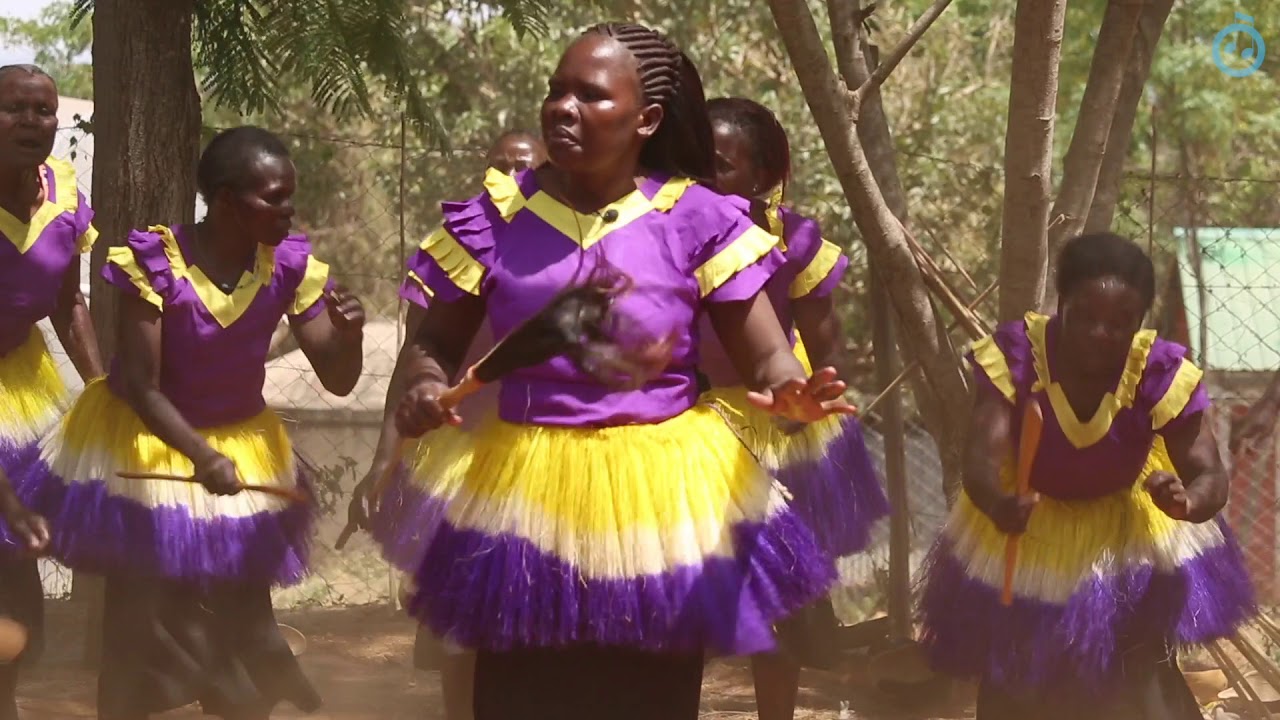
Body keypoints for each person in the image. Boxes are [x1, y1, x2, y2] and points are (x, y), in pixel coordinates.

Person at [390, 23, 851, 720]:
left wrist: (790, 386)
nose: (563, 108)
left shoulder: (695, 218)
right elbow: (432, 344)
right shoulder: (497, 218)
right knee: (520, 696)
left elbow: (763, 347)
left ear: (647, 120)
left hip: (655, 504)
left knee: (647, 697)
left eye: (590, 96)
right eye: (556, 92)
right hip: (524, 497)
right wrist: (423, 388)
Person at [24, 126, 366, 719]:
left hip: (241, 440)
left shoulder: (288, 265)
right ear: (227, 201)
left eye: (290, 197)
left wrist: (350, 336)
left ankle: (252, 684)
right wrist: (199, 455)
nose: (287, 210)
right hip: (149, 446)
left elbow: (338, 378)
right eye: (273, 198)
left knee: (239, 602)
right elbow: (138, 385)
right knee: (143, 616)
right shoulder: (156, 264)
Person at [916, 232, 1256, 719]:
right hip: (1029, 529)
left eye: (1120, 323)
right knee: (1022, 675)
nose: (1102, 333)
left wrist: (1187, 501)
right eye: (1087, 318)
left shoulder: (1156, 371)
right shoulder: (1018, 357)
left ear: (1140, 322)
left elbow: (1210, 475)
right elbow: (981, 458)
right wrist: (997, 503)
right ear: (1061, 305)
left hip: (1123, 537)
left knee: (1134, 676)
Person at [348, 131, 548, 720]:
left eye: (526, 167)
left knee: (540, 613)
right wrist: (385, 459)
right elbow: (414, 358)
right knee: (461, 622)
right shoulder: (452, 248)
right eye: (500, 166)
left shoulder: (569, 247)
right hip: (459, 458)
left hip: (545, 457)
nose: (512, 177)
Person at [700, 96, 889, 720]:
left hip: (772, 422)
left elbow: (822, 343)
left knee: (776, 595)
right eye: (695, 160)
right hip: (685, 422)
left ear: (762, 178)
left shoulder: (795, 241)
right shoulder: (667, 225)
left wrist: (799, 393)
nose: (705, 174)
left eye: (722, 165)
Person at [0, 63, 103, 720]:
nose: (33, 123)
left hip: (21, 388)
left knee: (16, 582)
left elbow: (68, 300)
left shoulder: (62, 194)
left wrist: (103, 391)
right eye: (14, 109)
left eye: (44, 111)